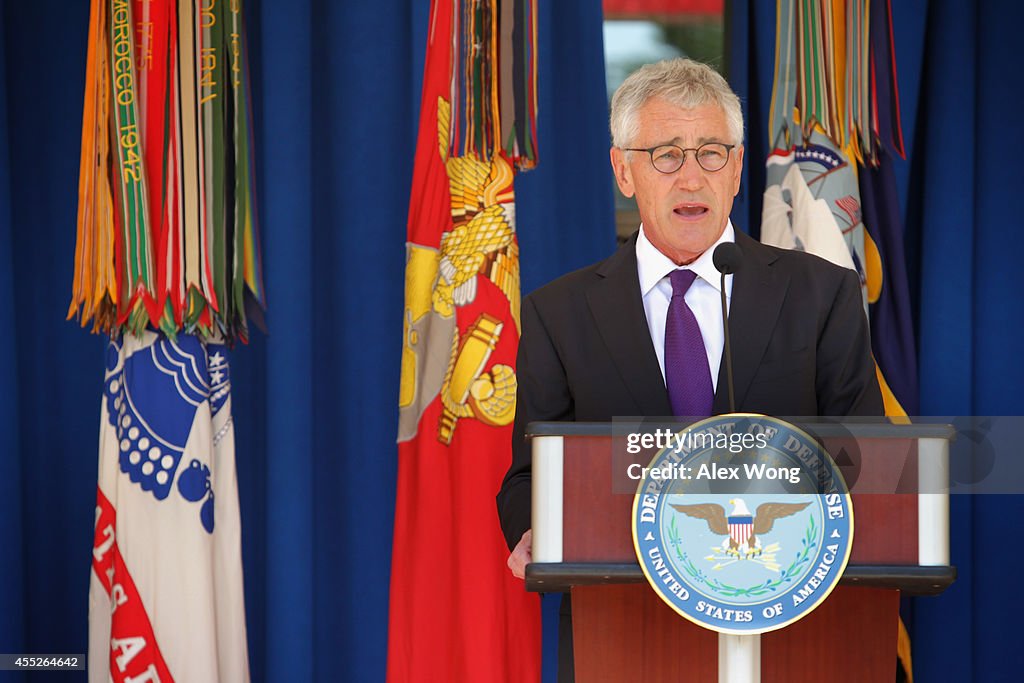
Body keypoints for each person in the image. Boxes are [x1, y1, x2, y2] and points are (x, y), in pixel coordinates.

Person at [496, 58, 883, 681]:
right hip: (622, 633)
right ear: (624, 170)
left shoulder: (822, 294)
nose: (691, 177)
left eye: (710, 152)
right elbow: (527, 477)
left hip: (798, 626)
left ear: (735, 169)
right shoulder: (558, 313)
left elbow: (868, 457)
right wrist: (535, 526)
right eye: (666, 155)